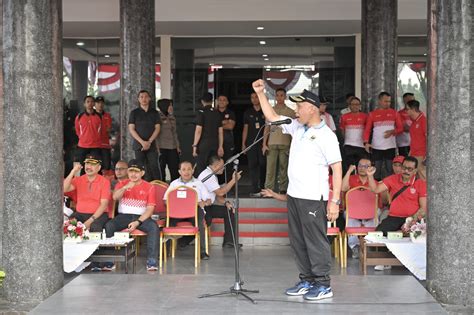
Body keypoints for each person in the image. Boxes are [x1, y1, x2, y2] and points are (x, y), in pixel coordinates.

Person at [253, 79, 342, 301]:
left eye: (299, 106)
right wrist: (261, 94)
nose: (296, 110)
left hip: (314, 198)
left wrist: (335, 201)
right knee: (298, 240)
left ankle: (323, 283)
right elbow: (272, 117)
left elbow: (337, 169)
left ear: (312, 108)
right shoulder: (296, 126)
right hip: (295, 195)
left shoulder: (327, 135)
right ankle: (307, 279)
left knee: (315, 241)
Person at [106, 160, 159, 271]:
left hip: (141, 217)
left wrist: (138, 222)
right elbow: (115, 197)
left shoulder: (149, 187)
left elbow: (150, 209)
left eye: (136, 171)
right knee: (109, 225)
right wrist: (125, 187)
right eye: (131, 171)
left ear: (142, 173)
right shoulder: (121, 184)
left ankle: (152, 261)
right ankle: (109, 260)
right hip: (123, 216)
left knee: (153, 227)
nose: (133, 174)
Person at [164, 161, 212, 260]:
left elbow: (209, 199)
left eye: (189, 169)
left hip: (194, 210)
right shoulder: (174, 184)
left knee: (200, 224)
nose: (186, 172)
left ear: (193, 170)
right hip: (177, 211)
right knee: (168, 223)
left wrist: (205, 202)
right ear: (179, 171)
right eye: (184, 169)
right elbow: (165, 199)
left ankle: (202, 252)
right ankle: (166, 251)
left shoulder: (198, 183)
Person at [198, 156, 241, 248]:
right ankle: (183, 241)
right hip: (202, 207)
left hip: (209, 206)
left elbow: (217, 195)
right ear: (216, 166)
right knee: (205, 223)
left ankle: (229, 241)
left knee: (229, 211)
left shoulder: (211, 174)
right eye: (222, 166)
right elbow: (221, 192)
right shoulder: (208, 175)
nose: (224, 168)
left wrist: (226, 203)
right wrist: (233, 180)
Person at [363, 92, 403, 180]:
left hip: (390, 146)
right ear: (379, 101)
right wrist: (366, 142)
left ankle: (389, 190)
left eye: (389, 101)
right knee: (376, 171)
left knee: (390, 170)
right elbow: (367, 130)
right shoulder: (372, 114)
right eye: (385, 101)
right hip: (376, 147)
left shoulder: (395, 113)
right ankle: (376, 191)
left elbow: (400, 128)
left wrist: (392, 131)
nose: (388, 103)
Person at [341, 157, 375, 259]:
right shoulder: (351, 179)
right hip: (352, 212)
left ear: (371, 168)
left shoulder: (373, 181)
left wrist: (371, 177)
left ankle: (368, 245)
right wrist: (349, 172)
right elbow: (343, 188)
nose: (362, 168)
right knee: (349, 218)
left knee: (376, 215)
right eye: (360, 165)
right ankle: (355, 247)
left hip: (370, 212)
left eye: (366, 166)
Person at [263, 88, 295, 193]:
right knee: (270, 169)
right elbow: (266, 128)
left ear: (285, 97)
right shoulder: (270, 110)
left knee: (284, 168)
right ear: (275, 97)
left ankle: (283, 189)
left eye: (282, 95)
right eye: (277, 95)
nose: (279, 97)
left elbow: (293, 131)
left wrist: (292, 146)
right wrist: (264, 144)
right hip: (271, 143)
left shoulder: (291, 112)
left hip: (285, 143)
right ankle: (269, 189)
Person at [128, 90, 162, 181]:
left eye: (146, 96)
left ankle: (159, 187)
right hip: (138, 145)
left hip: (152, 145)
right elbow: (131, 129)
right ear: (138, 99)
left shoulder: (154, 113)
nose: (144, 99)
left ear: (150, 98)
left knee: (154, 166)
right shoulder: (134, 113)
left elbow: (158, 128)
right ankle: (141, 189)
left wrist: (149, 142)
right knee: (140, 167)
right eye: (141, 97)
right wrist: (143, 142)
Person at [192, 93, 224, 175]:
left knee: (202, 168)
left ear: (202, 101)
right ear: (212, 101)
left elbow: (198, 131)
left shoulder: (201, 112)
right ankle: (212, 187)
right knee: (213, 167)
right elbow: (220, 131)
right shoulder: (217, 112)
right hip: (215, 143)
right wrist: (220, 146)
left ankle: (202, 187)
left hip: (203, 144)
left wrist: (195, 145)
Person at [242, 92, 267, 197]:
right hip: (251, 143)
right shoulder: (248, 112)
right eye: (252, 97)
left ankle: (262, 187)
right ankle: (254, 188)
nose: (254, 99)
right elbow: (245, 129)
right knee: (252, 166)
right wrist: (243, 144)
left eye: (256, 97)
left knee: (262, 164)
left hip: (262, 143)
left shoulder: (265, 111)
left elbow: (268, 127)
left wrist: (265, 143)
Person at [339, 96, 368, 172]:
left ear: (360, 105)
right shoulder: (344, 117)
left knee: (361, 167)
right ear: (349, 106)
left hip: (361, 146)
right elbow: (343, 130)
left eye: (357, 104)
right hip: (348, 145)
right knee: (349, 168)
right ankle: (350, 183)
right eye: (353, 104)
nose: (355, 106)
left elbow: (368, 130)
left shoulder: (365, 116)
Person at [157, 98, 181, 182]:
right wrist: (157, 148)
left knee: (174, 170)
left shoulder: (172, 117)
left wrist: (177, 146)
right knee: (161, 171)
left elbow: (174, 133)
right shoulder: (157, 117)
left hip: (172, 147)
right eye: (169, 105)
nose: (171, 107)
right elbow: (155, 134)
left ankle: (174, 188)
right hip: (161, 147)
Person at [74, 95, 102, 165]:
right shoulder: (79, 116)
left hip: (95, 145)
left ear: (94, 104)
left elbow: (101, 129)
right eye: (88, 102)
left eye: (92, 101)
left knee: (95, 166)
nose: (90, 103)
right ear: (84, 104)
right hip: (83, 145)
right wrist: (81, 137)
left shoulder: (99, 116)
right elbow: (77, 129)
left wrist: (97, 137)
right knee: (83, 166)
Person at [216, 95, 236, 183]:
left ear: (227, 102)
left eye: (224, 100)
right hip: (215, 142)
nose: (222, 101)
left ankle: (227, 185)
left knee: (228, 163)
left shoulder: (231, 113)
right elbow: (211, 126)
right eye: (220, 100)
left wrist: (218, 124)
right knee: (216, 163)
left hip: (228, 142)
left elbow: (231, 126)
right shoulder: (214, 112)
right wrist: (224, 122)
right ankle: (217, 184)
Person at [406, 100, 427, 180]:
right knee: (414, 176)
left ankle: (425, 192)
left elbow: (428, 139)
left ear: (413, 109)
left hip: (421, 154)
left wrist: (426, 155)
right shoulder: (414, 122)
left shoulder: (423, 121)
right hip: (413, 152)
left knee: (422, 176)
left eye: (407, 109)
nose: (406, 111)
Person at [95, 96, 112, 170]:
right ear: (95, 104)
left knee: (106, 165)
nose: (100, 105)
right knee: (95, 165)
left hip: (105, 144)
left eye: (102, 103)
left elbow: (108, 129)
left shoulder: (107, 116)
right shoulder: (92, 115)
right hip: (94, 145)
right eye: (98, 103)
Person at [396, 93, 415, 157]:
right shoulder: (399, 114)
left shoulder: (419, 113)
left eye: (413, 100)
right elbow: (404, 128)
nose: (412, 102)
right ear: (404, 101)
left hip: (416, 143)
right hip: (403, 144)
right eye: (409, 100)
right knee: (405, 163)